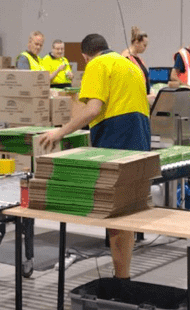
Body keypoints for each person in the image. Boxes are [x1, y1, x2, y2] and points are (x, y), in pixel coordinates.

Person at [37, 34, 150, 281]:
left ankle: (121, 279)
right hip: (140, 136)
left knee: (115, 213)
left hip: (118, 136)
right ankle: (123, 275)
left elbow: (93, 109)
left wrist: (59, 132)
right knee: (126, 212)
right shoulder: (128, 64)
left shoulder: (97, 65)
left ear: (86, 56)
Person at [121, 26, 150, 95]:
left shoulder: (138, 58)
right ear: (136, 42)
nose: (145, 48)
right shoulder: (126, 58)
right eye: (144, 45)